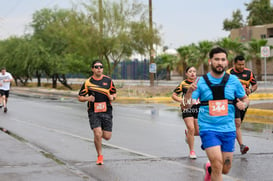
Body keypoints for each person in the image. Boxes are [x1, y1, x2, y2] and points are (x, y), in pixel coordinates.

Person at [183, 47, 249, 181]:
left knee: (225, 168)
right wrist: (189, 92)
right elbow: (186, 105)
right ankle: (213, 168)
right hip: (208, 129)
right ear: (210, 61)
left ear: (226, 62)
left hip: (229, 129)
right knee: (217, 165)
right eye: (216, 59)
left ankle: (209, 169)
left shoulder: (234, 81)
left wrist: (244, 104)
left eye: (223, 60)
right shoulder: (200, 82)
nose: (220, 62)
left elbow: (245, 98)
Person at [78, 60, 117, 165]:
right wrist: (88, 98)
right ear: (92, 69)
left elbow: (114, 94)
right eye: (96, 67)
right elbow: (80, 97)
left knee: (107, 136)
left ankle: (98, 138)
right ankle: (100, 156)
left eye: (100, 67)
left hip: (107, 110)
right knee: (98, 133)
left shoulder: (108, 81)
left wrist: (112, 97)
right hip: (93, 111)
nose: (99, 68)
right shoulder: (88, 82)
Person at [226, 55, 257, 154]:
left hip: (244, 101)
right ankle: (241, 145)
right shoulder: (229, 73)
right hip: (232, 101)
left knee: (237, 124)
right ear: (234, 64)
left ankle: (231, 139)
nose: (242, 66)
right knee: (237, 123)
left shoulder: (249, 73)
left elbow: (255, 84)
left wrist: (250, 90)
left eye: (243, 64)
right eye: (239, 65)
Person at [172, 66, 199, 159]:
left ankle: (188, 135)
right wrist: (182, 101)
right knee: (191, 128)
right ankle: (192, 151)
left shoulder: (200, 83)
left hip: (198, 108)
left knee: (198, 132)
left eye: (194, 71)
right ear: (186, 74)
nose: (192, 73)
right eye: (190, 71)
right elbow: (174, 95)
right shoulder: (183, 83)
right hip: (187, 108)